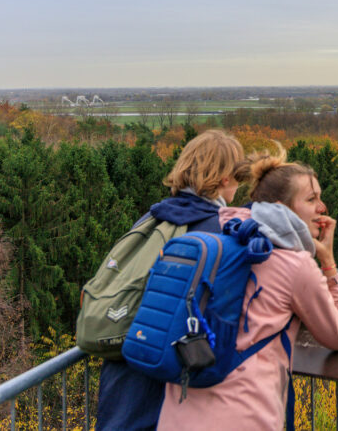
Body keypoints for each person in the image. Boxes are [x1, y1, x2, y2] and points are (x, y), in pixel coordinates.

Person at [157, 148, 338, 431]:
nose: (322, 207)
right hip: (244, 416)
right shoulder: (296, 266)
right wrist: (328, 262)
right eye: (312, 199)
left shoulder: (216, 239)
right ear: (280, 207)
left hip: (177, 412)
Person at [96, 128, 246, 431]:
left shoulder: (154, 218)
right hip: (164, 381)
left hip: (122, 371)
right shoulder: (216, 232)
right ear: (225, 178)